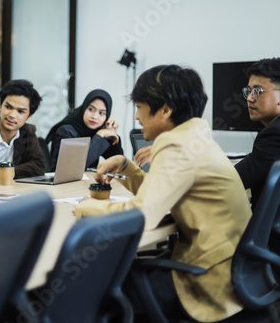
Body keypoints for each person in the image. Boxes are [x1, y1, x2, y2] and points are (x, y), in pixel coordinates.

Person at [75, 65, 252, 322]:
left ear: (166, 110)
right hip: (234, 269)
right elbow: (163, 193)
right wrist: (126, 166)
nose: (136, 116)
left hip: (206, 280)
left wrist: (87, 207)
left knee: (95, 291)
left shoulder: (176, 145)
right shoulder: (196, 136)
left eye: (139, 107)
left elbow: (140, 217)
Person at [235, 57, 280, 210]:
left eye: (257, 91)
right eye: (248, 91)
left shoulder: (274, 134)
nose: (249, 98)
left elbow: (233, 180)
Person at [45, 89, 123, 171]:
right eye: (91, 109)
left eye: (101, 113)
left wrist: (111, 133)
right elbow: (75, 168)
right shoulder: (66, 131)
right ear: (84, 108)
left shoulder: (97, 131)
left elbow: (118, 163)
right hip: (61, 182)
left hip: (87, 181)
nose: (95, 116)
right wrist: (100, 135)